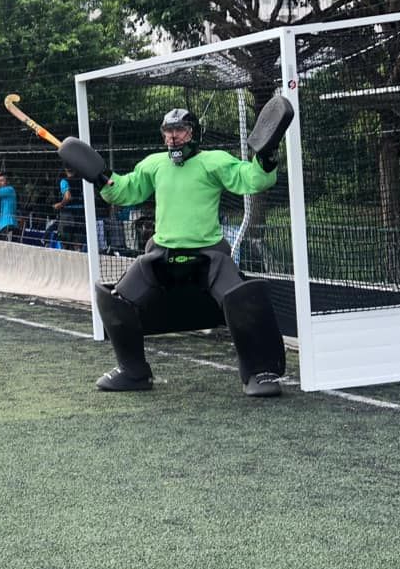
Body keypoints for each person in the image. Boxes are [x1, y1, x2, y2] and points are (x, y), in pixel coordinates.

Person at [58, 103, 292, 397]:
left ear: (193, 133)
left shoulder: (214, 161)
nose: (173, 137)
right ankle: (133, 373)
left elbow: (253, 179)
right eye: (168, 132)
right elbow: (126, 189)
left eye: (179, 130)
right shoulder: (154, 164)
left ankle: (261, 373)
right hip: (161, 255)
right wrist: (101, 177)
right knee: (114, 300)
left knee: (243, 297)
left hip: (210, 256)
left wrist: (267, 157)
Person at [53, 166, 86, 251]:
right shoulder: (82, 181)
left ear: (65, 170)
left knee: (65, 242)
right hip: (80, 215)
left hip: (67, 215)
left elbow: (68, 197)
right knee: (78, 243)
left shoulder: (64, 181)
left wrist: (60, 204)